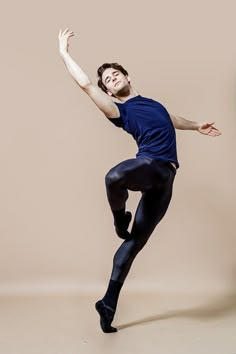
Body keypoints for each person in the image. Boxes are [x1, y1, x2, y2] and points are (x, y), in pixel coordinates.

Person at [58, 28, 222, 333]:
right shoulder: (117, 110)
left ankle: (107, 303)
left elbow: (170, 119)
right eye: (106, 80)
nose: (111, 79)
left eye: (115, 74)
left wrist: (197, 124)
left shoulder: (153, 104)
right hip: (149, 165)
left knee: (135, 243)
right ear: (108, 92)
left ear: (127, 76)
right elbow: (84, 84)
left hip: (166, 179)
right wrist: (64, 53)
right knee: (115, 177)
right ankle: (120, 220)